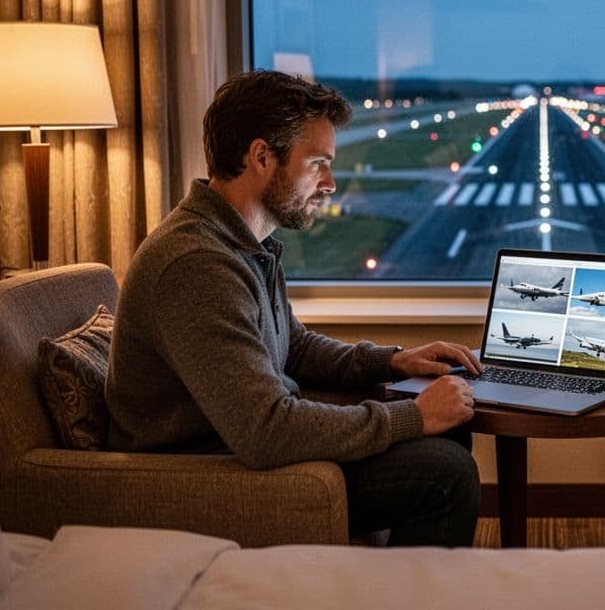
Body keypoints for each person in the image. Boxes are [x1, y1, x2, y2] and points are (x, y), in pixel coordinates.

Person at [106, 69, 481, 547]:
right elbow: (266, 430)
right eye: (318, 163)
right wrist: (411, 417)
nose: (329, 183)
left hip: (231, 447)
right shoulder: (196, 266)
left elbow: (294, 348)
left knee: (447, 437)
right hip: (204, 471)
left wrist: (391, 360)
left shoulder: (242, 241)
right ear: (261, 157)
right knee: (444, 472)